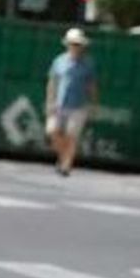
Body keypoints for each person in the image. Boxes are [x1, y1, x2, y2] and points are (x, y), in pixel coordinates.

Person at [45, 28, 98, 176]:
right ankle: (63, 157)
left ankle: (66, 165)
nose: (75, 47)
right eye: (73, 44)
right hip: (59, 103)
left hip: (79, 105)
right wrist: (50, 101)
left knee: (71, 135)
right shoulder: (59, 61)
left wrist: (93, 104)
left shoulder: (88, 64)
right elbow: (52, 82)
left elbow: (92, 86)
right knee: (52, 131)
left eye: (78, 44)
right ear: (67, 44)